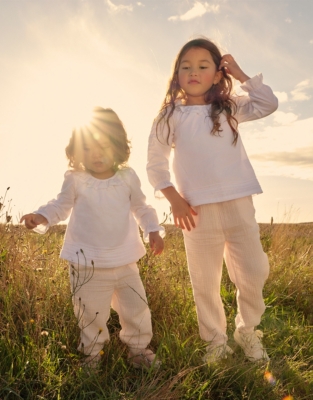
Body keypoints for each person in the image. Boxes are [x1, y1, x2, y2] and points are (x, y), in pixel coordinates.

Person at [147, 38, 278, 363]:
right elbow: (155, 163)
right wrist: (174, 198)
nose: (193, 72)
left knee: (253, 271)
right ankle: (215, 342)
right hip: (194, 211)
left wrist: (241, 73)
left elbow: (268, 103)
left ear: (217, 74)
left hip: (239, 203)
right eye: (186, 67)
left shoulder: (228, 106)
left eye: (203, 66)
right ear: (176, 74)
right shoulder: (170, 116)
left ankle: (248, 331)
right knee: (204, 282)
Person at [21, 107, 164, 369]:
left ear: (119, 146)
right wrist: (41, 216)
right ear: (76, 152)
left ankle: (138, 349)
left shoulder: (127, 177)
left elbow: (141, 207)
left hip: (124, 260)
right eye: (88, 148)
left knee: (136, 307)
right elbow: (60, 206)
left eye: (104, 146)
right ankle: (91, 355)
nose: (97, 154)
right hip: (86, 264)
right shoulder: (76, 179)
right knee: (90, 312)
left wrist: (152, 229)